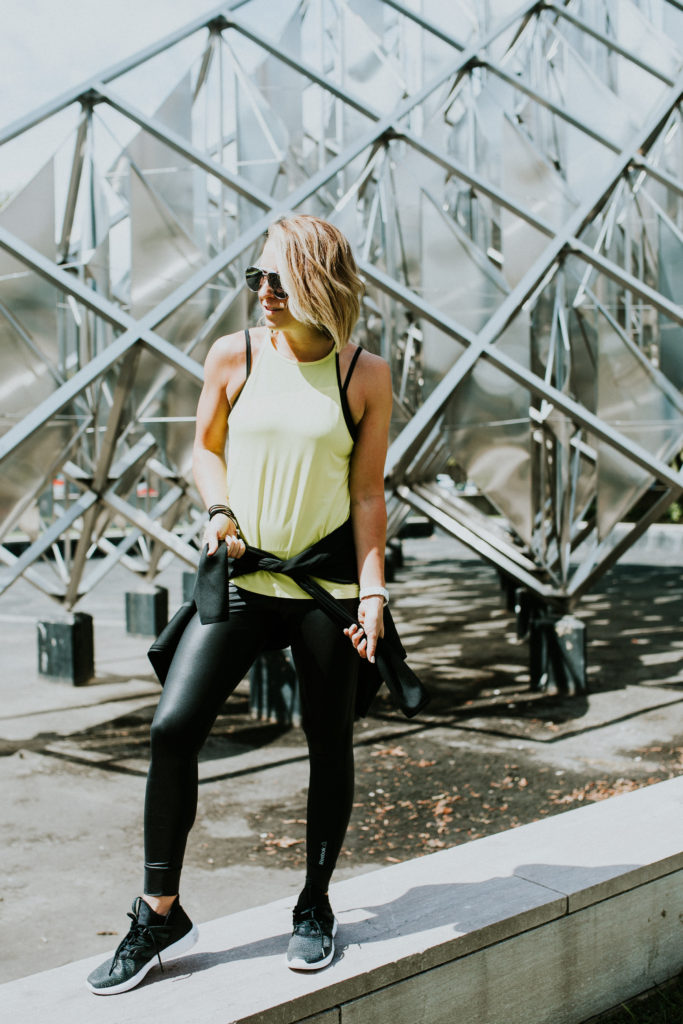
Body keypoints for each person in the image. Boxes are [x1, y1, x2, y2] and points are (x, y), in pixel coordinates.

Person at [87, 214, 393, 995]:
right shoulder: (235, 354)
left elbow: (367, 495)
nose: (262, 291)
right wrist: (219, 510)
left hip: (323, 589)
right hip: (241, 579)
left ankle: (314, 903)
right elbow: (206, 448)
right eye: (256, 277)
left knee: (328, 740)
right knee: (172, 727)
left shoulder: (364, 374)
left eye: (278, 279)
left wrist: (373, 592)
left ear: (319, 281)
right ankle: (159, 912)